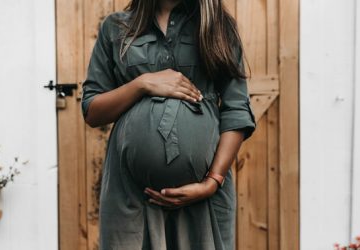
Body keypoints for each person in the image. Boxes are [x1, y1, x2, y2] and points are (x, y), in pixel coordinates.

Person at [81, 0, 256, 249]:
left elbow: (236, 110)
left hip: (203, 197)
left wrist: (212, 182)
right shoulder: (115, 28)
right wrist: (142, 83)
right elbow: (92, 111)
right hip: (132, 198)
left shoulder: (218, 27)